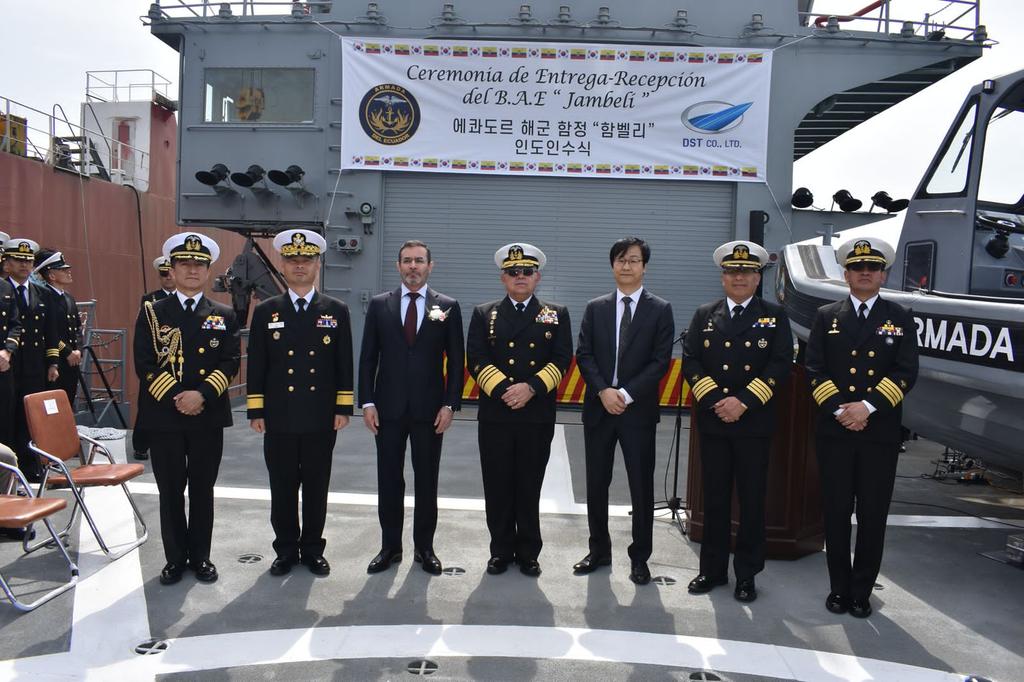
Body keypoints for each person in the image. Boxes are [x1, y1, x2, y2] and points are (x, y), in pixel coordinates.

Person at [806, 237, 918, 618]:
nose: (865, 273)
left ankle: (861, 592)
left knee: (873, 515)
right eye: (857, 268)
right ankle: (839, 589)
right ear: (846, 275)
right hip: (836, 432)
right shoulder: (826, 317)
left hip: (878, 433)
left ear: (883, 275)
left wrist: (867, 407)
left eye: (872, 267)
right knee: (836, 513)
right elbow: (814, 369)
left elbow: (906, 372)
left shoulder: (900, 316)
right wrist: (842, 410)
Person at [681, 241, 792, 603]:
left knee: (752, 501)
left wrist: (743, 402)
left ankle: (747, 575)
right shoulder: (704, 314)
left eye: (746, 272)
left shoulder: (774, 316)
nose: (739, 277)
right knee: (714, 499)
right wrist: (718, 401)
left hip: (752, 423)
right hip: (715, 421)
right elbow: (691, 361)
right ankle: (712, 570)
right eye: (732, 272)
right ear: (723, 277)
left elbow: (780, 364)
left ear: (758, 278)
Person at [134, 232, 240, 585]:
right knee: (170, 491)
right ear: (173, 269)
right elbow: (145, 363)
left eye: (199, 265)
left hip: (207, 415)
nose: (192, 270)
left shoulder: (224, 314)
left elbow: (230, 362)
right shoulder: (153, 312)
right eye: (185, 264)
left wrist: (202, 395)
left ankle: (201, 557)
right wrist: (180, 396)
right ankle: (175, 559)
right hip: (164, 416)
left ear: (208, 271)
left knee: (202, 490)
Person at [246, 229, 353, 577]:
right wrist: (256, 409)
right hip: (279, 416)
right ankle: (286, 550)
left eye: (307, 260)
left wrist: (343, 407)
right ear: (282, 264)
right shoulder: (267, 311)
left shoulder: (336, 310)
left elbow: (343, 362)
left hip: (320, 416)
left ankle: (313, 549)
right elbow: (258, 363)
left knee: (317, 486)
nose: (300, 266)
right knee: (282, 486)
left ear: (317, 265)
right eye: (293, 260)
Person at [466, 243, 572, 577]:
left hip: (535, 414)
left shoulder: (556, 313)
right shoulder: (484, 314)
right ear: (503, 278)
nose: (520, 276)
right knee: (497, 485)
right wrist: (505, 390)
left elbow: (562, 359)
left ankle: (528, 552)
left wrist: (530, 388)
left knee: (529, 485)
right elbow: (476, 359)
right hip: (496, 414)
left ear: (537, 277)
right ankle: (499, 551)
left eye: (527, 271)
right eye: (513, 272)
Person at [573, 237, 674, 585]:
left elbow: (660, 361)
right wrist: (603, 390)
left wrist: (626, 394)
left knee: (640, 486)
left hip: (637, 411)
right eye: (620, 260)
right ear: (612, 265)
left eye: (633, 260)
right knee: (596, 483)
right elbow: (584, 354)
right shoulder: (595, 308)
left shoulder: (660, 309)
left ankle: (640, 557)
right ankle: (598, 550)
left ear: (644, 266)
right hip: (600, 408)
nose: (626, 266)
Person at [359, 240, 464, 576]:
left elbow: (456, 360)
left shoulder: (447, 306)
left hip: (429, 411)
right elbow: (368, 357)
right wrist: (367, 402)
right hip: (387, 410)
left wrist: (450, 404)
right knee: (389, 480)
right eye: (407, 261)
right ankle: (390, 548)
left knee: (427, 481)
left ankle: (425, 548)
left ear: (430, 266)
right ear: (398, 266)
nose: (413, 266)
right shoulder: (380, 305)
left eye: (419, 261)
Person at [4, 238, 59, 480]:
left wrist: (53, 362)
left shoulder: (43, 293)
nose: (24, 265)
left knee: (30, 417)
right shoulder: (3, 290)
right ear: (7, 263)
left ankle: (29, 466)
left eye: (28, 261)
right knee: (7, 416)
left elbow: (51, 331)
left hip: (34, 364)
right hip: (9, 364)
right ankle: (8, 470)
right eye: (19, 260)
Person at [132, 256, 176, 461]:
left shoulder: (185, 299)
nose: (167, 277)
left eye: (170, 273)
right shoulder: (150, 299)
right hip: (157, 361)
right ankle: (141, 446)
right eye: (163, 274)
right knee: (147, 405)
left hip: (177, 361)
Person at [34, 250, 83, 404]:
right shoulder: (44, 297)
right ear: (51, 275)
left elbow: (77, 329)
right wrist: (67, 351)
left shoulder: (68, 298)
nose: (68, 272)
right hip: (55, 360)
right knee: (52, 404)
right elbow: (48, 332)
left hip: (72, 362)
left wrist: (78, 350)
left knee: (67, 403)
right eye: (63, 269)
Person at [0, 232, 23, 456]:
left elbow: (15, 324)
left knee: (4, 417)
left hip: (3, 365)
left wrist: (7, 351)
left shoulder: (5, 288)